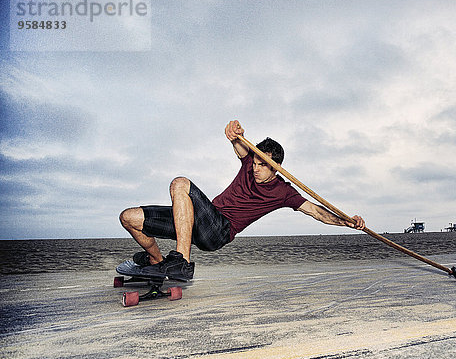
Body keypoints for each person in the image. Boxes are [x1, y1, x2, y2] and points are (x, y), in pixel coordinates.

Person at [119, 120, 365, 280]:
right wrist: (234, 133)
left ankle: (181, 262)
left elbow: (316, 211)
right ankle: (157, 261)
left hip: (218, 231)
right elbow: (238, 144)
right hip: (197, 221)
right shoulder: (249, 161)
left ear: (276, 168)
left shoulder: (284, 192)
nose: (256, 169)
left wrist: (348, 222)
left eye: (263, 166)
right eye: (255, 163)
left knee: (180, 183)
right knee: (129, 218)